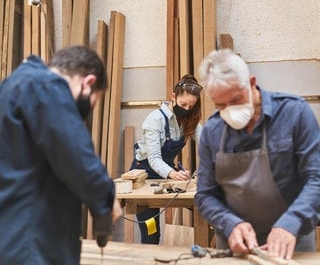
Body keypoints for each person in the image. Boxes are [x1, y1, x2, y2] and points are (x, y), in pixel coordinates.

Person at [0, 45, 122, 265]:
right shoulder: (45, 86)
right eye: (93, 103)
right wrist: (106, 198)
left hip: (13, 238)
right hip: (33, 246)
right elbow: (78, 158)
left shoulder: (11, 87)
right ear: (88, 83)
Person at [195, 49, 320, 260]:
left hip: (291, 243)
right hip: (237, 246)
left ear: (251, 83)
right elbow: (205, 195)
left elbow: (316, 178)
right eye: (220, 105)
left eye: (235, 100)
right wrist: (230, 223)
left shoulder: (295, 114)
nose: (229, 111)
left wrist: (290, 223)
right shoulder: (212, 131)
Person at [130, 74, 203, 244]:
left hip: (166, 176)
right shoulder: (154, 119)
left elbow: (206, 143)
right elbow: (154, 159)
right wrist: (172, 173)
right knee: (151, 233)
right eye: (183, 104)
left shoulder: (188, 118)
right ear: (173, 97)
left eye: (191, 106)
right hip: (144, 177)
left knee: (203, 214)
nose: (186, 109)